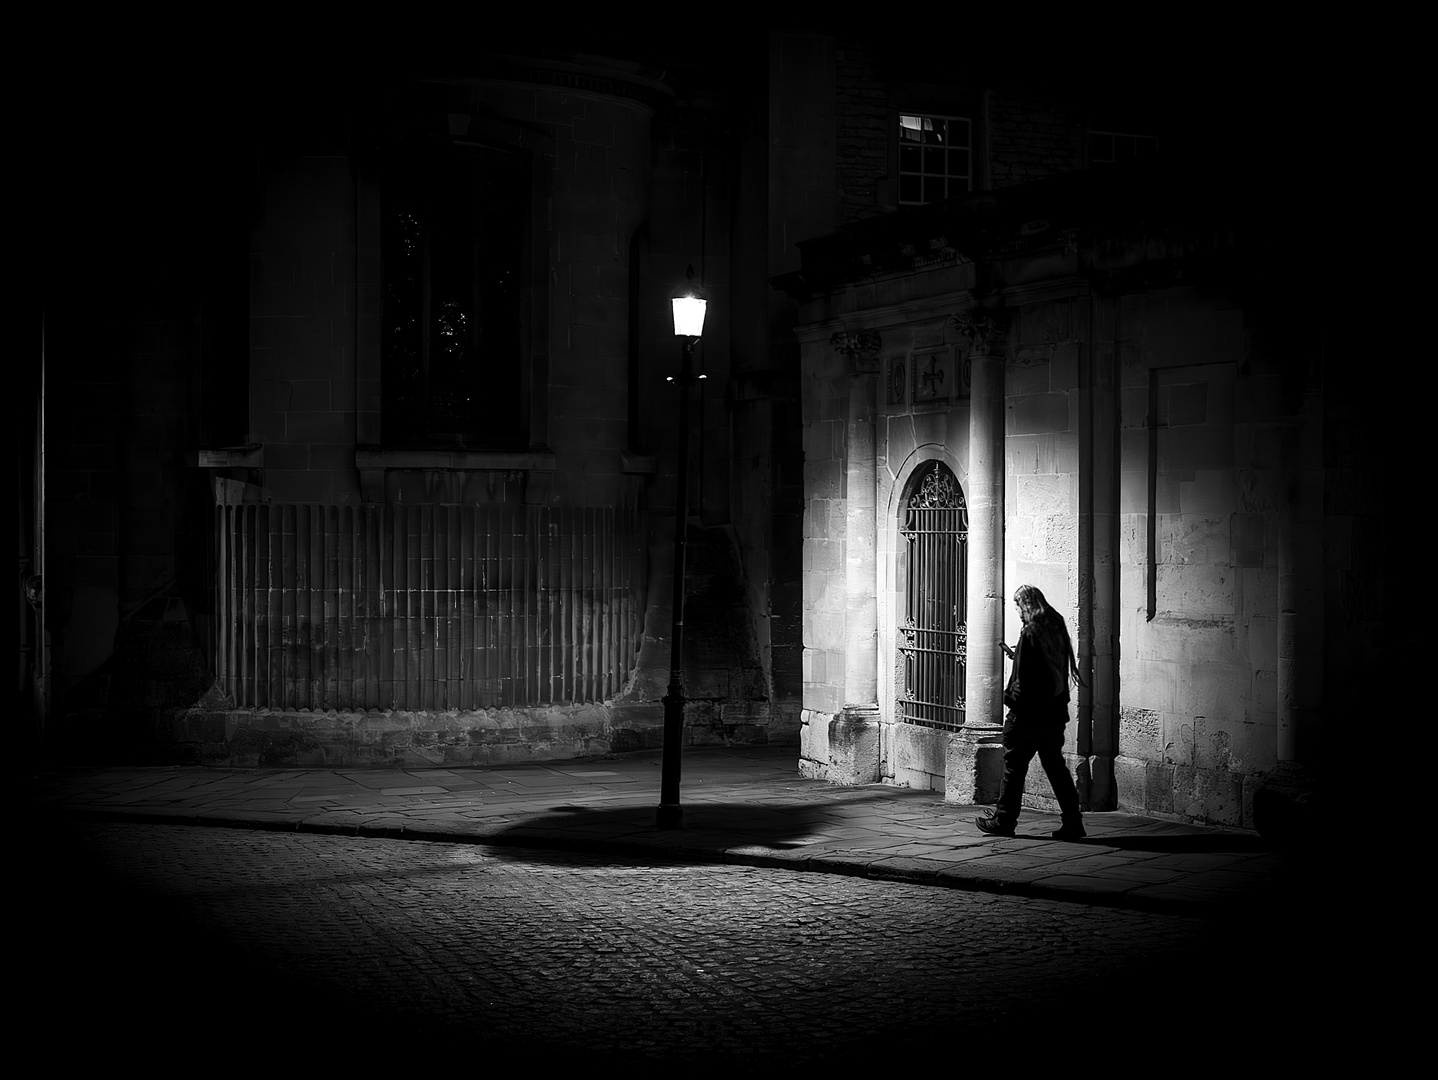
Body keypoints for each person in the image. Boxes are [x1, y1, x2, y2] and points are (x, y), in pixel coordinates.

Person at [976, 584, 1086, 841]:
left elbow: (1023, 682)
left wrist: (1009, 699)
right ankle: (1073, 822)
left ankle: (1004, 820)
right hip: (1053, 715)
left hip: (1027, 716)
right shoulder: (1055, 627)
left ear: (1024, 605)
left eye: (1017, 608)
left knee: (1013, 768)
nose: (1018, 613)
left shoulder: (1030, 633)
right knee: (1057, 769)